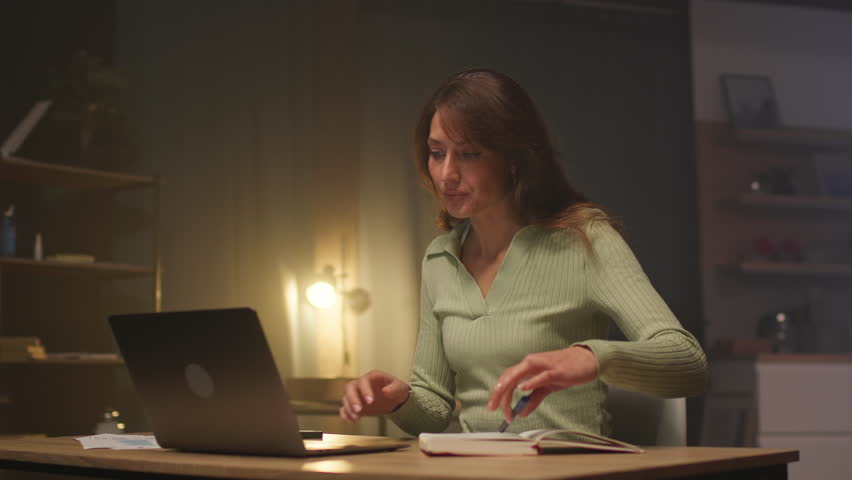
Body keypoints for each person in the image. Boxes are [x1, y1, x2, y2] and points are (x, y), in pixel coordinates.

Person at [339, 68, 707, 436]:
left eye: (468, 154)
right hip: (474, 469)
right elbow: (433, 411)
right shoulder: (440, 259)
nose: (446, 174)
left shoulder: (586, 240)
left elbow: (688, 363)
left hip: (571, 469)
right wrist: (399, 400)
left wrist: (593, 357)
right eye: (437, 153)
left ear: (513, 159)